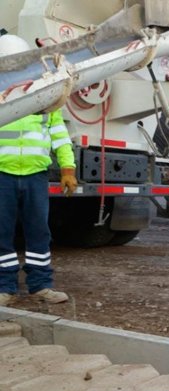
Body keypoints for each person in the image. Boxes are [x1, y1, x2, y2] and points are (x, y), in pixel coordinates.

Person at [0, 33, 77, 307]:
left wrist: (68, 167)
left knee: (38, 232)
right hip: (3, 175)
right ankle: (4, 286)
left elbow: (59, 135)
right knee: (1, 232)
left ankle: (41, 286)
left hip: (35, 175)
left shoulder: (44, 96)